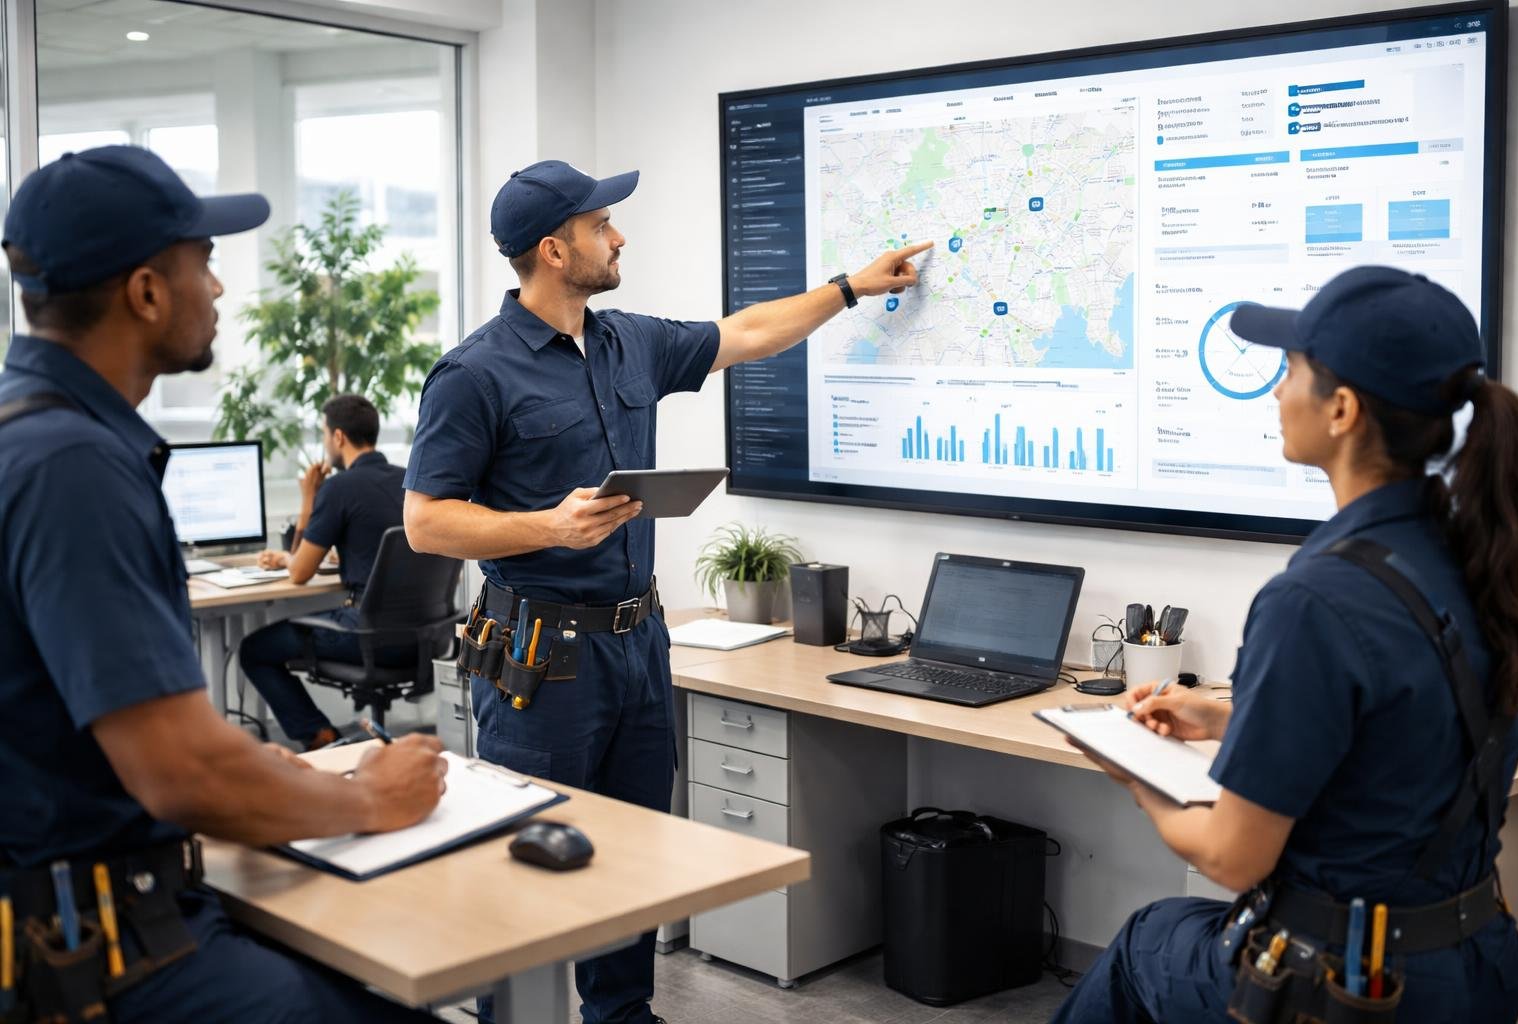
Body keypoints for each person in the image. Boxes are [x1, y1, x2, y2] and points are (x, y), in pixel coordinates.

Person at [403, 159, 929, 1024]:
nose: (619, 237)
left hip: (640, 645)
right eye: (600, 225)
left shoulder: (629, 342)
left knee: (630, 860)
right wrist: (548, 526)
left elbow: (748, 333)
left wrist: (849, 288)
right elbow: (427, 522)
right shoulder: (474, 373)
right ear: (553, 251)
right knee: (527, 872)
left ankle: (623, 1016)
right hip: (542, 659)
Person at [0, 145, 448, 1023]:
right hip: (100, 953)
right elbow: (181, 775)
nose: (218, 288)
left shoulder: (36, 436)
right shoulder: (73, 467)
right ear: (146, 292)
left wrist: (241, 763)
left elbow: (107, 731)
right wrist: (364, 795)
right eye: (203, 262)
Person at [1053, 266, 1518, 1023]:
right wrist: (1226, 718)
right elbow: (1409, 733)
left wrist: (1136, 775)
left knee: (1151, 937)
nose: (1277, 392)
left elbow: (1230, 856)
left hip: (1346, 989)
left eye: (1291, 371)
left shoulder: (1315, 598)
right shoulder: (1483, 558)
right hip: (1476, 968)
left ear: (1341, 409)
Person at [240, 393, 415, 749]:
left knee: (253, 650)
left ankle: (320, 736)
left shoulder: (339, 488)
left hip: (366, 634)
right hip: (421, 638)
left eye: (323, 434)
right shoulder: (408, 481)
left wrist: (308, 500)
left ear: (338, 437)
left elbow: (299, 573)